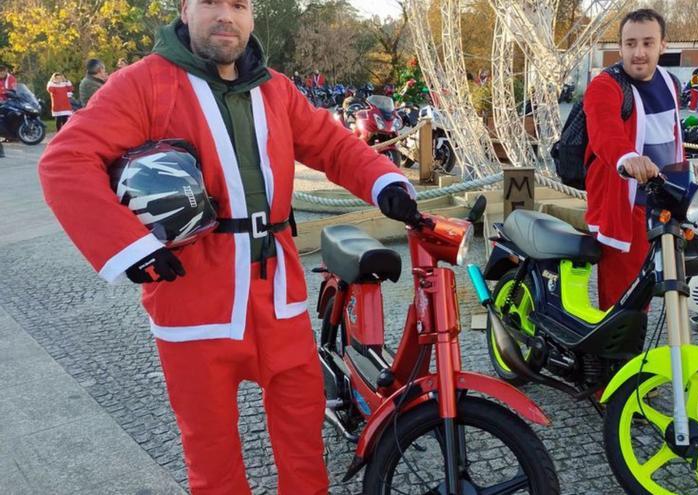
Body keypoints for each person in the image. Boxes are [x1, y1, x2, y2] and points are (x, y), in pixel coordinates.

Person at [38, 0, 417, 493]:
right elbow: (66, 161)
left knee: (303, 438)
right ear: (185, 10)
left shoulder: (276, 88)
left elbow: (335, 145)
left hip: (278, 296)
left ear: (251, 16)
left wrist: (386, 183)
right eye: (211, 3)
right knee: (211, 454)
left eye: (238, 5)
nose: (226, 16)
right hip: (193, 298)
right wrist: (130, 248)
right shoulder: (142, 83)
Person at [583, 8, 683, 309]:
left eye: (648, 43)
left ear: (663, 45)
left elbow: (674, 139)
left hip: (664, 203)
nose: (639, 52)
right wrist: (627, 156)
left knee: (664, 286)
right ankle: (612, 357)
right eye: (630, 44)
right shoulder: (606, 85)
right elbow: (604, 129)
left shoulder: (670, 82)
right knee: (623, 301)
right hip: (626, 206)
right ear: (620, 47)